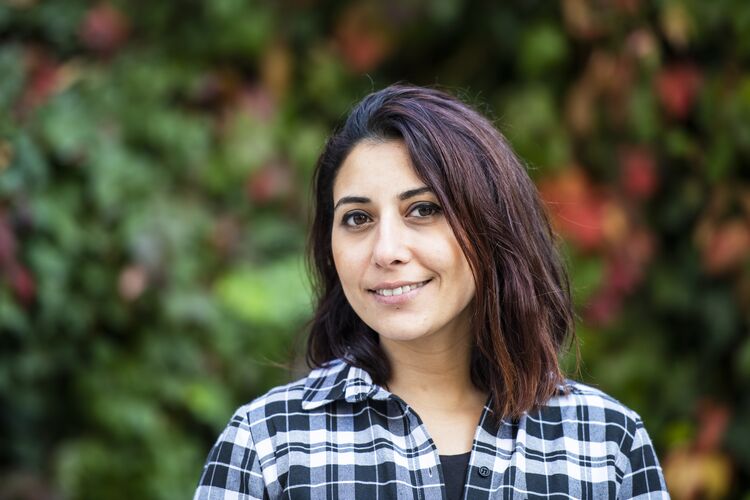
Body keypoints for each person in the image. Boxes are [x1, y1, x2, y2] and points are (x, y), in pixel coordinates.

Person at [193, 84, 669, 499]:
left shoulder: (604, 444)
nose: (387, 250)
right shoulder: (268, 445)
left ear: (490, 226)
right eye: (358, 218)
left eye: (422, 210)